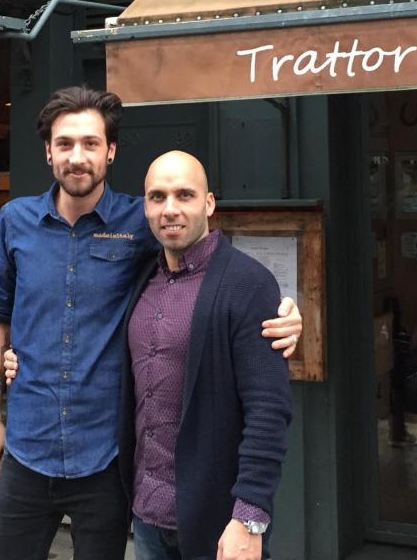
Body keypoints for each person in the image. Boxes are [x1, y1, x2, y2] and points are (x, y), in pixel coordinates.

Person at [0, 86, 301, 560]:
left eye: (91, 144)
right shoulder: (15, 220)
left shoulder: (141, 221)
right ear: (48, 151)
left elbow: (210, 265)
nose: (77, 156)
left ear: (110, 151)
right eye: (65, 143)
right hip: (28, 446)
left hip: (105, 458)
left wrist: (287, 315)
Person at [122, 150, 292, 560]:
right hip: (146, 517)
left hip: (219, 522)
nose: (170, 209)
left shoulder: (247, 284)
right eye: (157, 197)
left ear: (209, 203)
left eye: (185, 195)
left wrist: (251, 517)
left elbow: (268, 410)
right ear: (145, 206)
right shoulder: (140, 277)